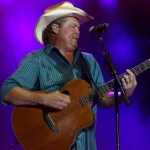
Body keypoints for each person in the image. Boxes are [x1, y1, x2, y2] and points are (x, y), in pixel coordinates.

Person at [0, 1, 137, 150]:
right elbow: (7, 92)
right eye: (73, 26)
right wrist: (45, 98)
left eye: (78, 27)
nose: (78, 31)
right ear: (55, 27)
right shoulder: (35, 60)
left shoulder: (89, 61)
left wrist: (124, 94)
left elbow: (102, 98)